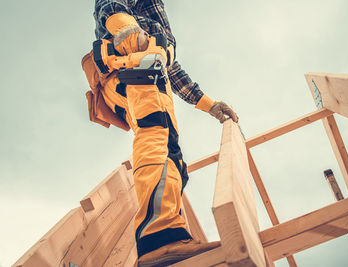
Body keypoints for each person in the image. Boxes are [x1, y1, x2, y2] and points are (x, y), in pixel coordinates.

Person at [85, 0, 238, 266]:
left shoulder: (156, 14)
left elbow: (173, 69)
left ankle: (171, 234)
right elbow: (110, 4)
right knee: (156, 137)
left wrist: (208, 104)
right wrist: (126, 28)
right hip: (134, 62)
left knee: (172, 154)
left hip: (148, 67)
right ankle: (160, 237)